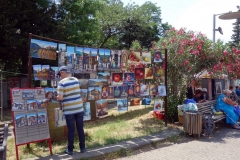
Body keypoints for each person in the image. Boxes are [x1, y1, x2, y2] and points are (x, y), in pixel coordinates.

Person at [57, 66, 86, 155]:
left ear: (62, 72)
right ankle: (82, 148)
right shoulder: (75, 80)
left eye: (60, 74)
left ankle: (70, 150)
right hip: (79, 108)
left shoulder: (61, 83)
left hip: (69, 110)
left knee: (71, 130)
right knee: (80, 129)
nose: (60, 76)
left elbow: (60, 97)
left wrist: (57, 96)